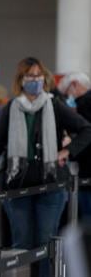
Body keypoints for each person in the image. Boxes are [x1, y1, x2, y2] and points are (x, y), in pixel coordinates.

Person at [0, 57, 91, 277]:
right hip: (18, 186)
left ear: (44, 78)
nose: (34, 80)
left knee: (46, 241)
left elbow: (86, 129)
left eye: (38, 75)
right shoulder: (12, 107)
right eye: (29, 76)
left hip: (51, 185)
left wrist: (66, 151)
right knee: (22, 242)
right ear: (21, 79)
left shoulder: (54, 105)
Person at [57, 72, 91, 221]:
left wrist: (69, 150)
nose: (67, 99)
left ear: (74, 85)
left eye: (66, 94)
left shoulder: (85, 104)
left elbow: (86, 137)